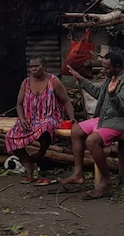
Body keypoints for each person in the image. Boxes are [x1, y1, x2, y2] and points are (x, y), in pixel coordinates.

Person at [61, 51, 124, 199]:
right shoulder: (111, 77)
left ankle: (107, 183)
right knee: (76, 130)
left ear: (117, 67)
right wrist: (81, 79)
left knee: (91, 140)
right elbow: (98, 93)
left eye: (106, 68)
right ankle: (78, 174)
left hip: (120, 120)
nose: (103, 70)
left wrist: (113, 94)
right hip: (105, 117)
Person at [5, 57, 75, 185]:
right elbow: (19, 104)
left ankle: (39, 155)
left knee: (44, 128)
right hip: (30, 118)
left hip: (50, 117)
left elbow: (66, 101)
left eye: (36, 66)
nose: (33, 69)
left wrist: (72, 119)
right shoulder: (25, 83)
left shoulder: (54, 81)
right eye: (31, 67)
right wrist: (22, 119)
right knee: (11, 136)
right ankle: (28, 165)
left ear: (44, 67)